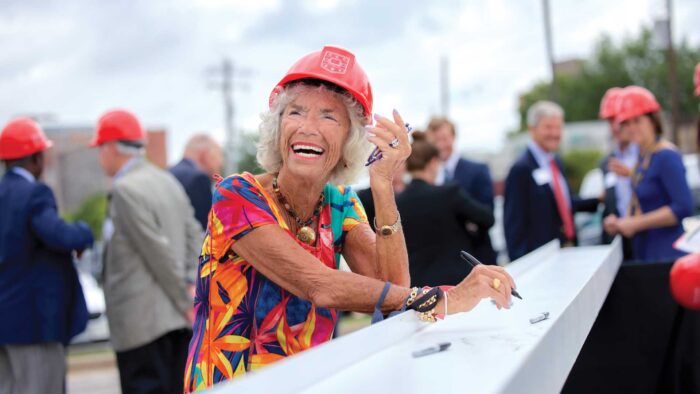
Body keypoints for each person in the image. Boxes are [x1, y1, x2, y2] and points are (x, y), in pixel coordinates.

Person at [184, 45, 516, 392]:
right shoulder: (237, 195)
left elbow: (392, 284)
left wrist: (383, 182)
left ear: (349, 140)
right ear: (278, 126)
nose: (308, 128)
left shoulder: (339, 202)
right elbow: (320, 285)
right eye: (295, 112)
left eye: (329, 116)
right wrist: (441, 299)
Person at [92, 109, 203, 393]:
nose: (99, 157)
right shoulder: (166, 179)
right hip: (175, 321)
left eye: (100, 149)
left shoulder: (125, 190)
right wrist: (192, 284)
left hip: (141, 324)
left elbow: (157, 252)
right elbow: (194, 234)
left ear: (112, 148)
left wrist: (183, 299)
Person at [0, 118, 94, 394]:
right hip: (34, 323)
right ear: (35, 158)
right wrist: (84, 232)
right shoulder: (34, 193)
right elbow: (58, 235)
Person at [603, 86, 693, 262]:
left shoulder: (666, 156)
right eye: (626, 123)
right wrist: (621, 222)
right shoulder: (645, 156)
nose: (631, 128)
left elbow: (683, 207)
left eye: (637, 121)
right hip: (647, 252)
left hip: (667, 256)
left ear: (652, 120)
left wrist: (635, 223)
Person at [504, 101, 599, 261]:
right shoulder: (521, 168)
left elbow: (563, 205)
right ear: (532, 130)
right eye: (548, 127)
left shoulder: (556, 162)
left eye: (558, 127)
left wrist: (598, 200)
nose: (555, 133)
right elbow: (514, 225)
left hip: (567, 251)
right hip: (541, 259)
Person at [397, 132, 494, 286]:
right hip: (456, 281)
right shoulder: (449, 193)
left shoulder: (397, 202)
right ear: (434, 162)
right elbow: (487, 218)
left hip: (418, 286)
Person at [427, 116, 498, 264]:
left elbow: (488, 215)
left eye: (444, 139)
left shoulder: (478, 170)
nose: (440, 145)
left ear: (453, 137)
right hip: (445, 262)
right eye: (435, 141)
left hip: (478, 257)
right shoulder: (427, 179)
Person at [598, 87, 637, 258]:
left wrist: (632, 175)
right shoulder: (608, 161)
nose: (615, 126)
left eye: (620, 119)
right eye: (610, 120)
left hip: (646, 238)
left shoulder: (647, 155)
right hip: (620, 244)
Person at [170, 134, 223, 231]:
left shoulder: (167, 173)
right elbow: (206, 229)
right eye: (219, 154)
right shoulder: (199, 179)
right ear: (205, 155)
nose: (221, 162)